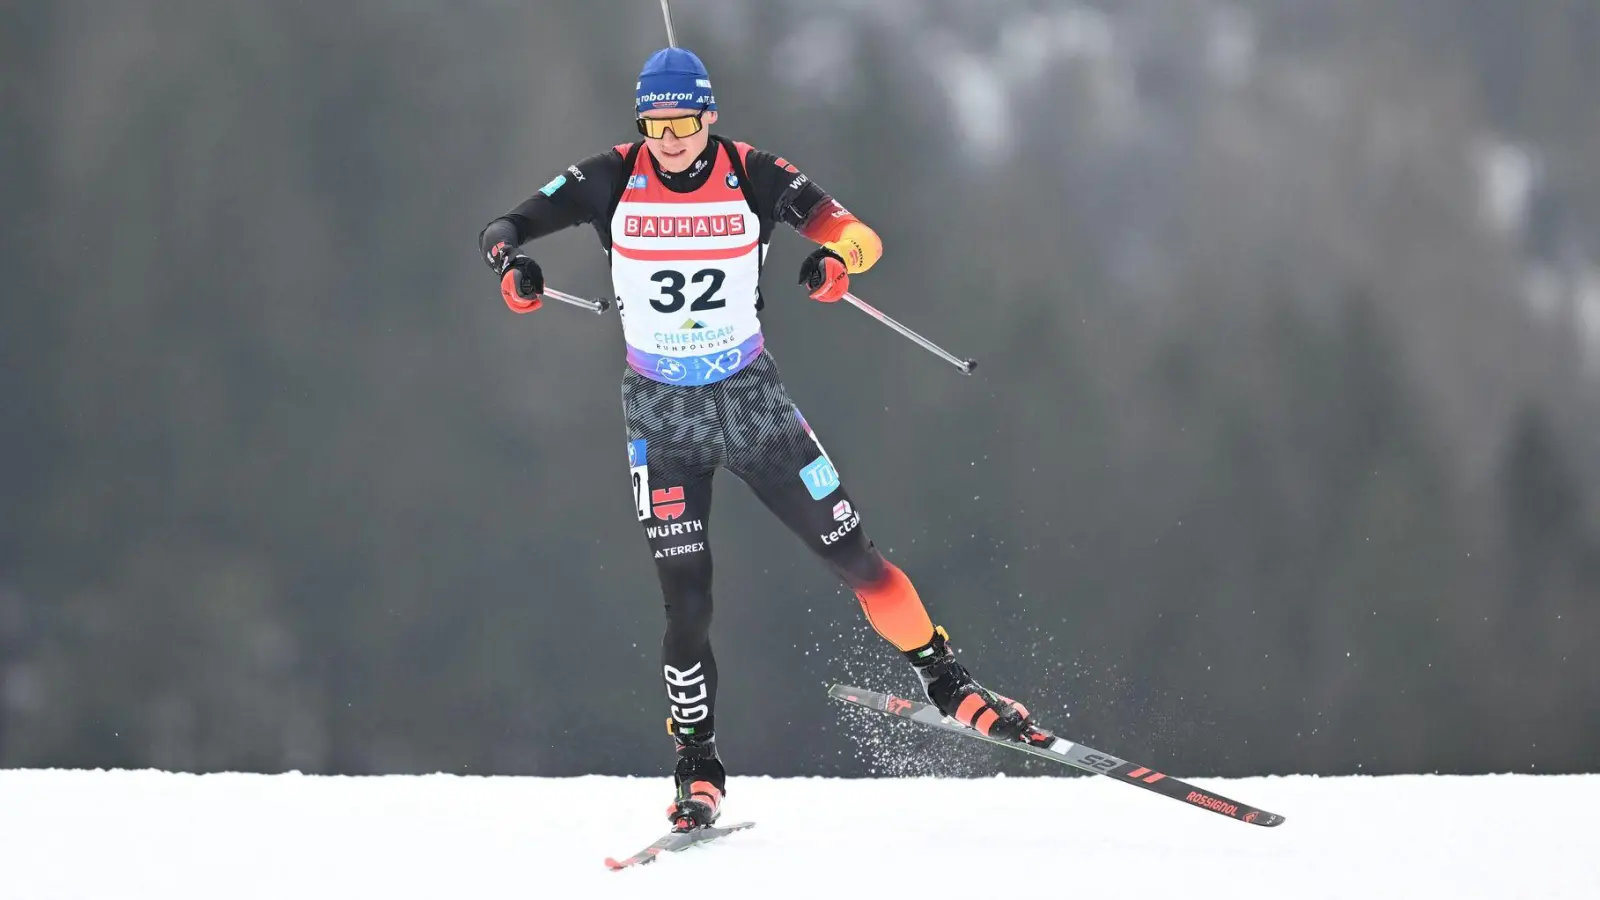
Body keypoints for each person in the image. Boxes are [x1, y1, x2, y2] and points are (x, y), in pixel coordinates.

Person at [478, 47, 1039, 830]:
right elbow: (505, 227)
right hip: (661, 414)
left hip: (751, 403)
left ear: (709, 116)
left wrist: (835, 260)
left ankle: (950, 683)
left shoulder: (752, 172)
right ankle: (697, 766)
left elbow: (859, 235)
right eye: (655, 125)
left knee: (856, 559)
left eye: (683, 124)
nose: (669, 140)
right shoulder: (609, 176)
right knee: (688, 604)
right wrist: (513, 269)